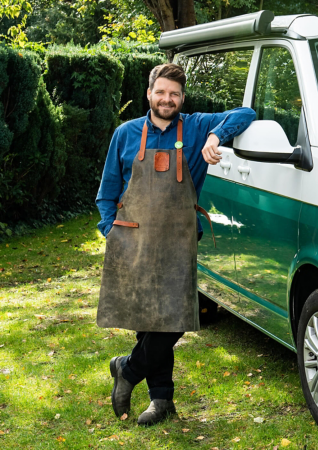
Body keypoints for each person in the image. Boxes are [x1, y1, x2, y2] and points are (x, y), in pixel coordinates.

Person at [94, 63, 256, 426]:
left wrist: (216, 137)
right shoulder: (126, 133)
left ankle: (128, 369)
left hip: (179, 240)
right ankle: (161, 400)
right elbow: (106, 193)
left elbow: (246, 113)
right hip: (133, 238)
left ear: (182, 98)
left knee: (175, 317)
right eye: (161, 92)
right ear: (149, 93)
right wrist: (112, 233)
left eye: (175, 94)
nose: (167, 99)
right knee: (148, 320)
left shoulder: (196, 127)